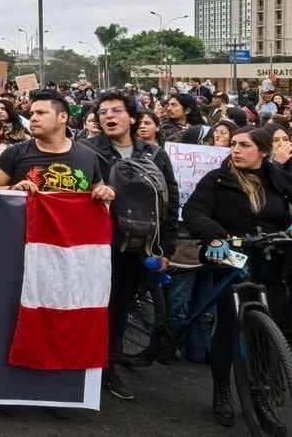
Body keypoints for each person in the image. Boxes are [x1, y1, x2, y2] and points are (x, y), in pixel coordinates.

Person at [182, 127, 292, 427]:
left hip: (272, 261)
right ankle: (222, 390)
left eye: (244, 145)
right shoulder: (218, 179)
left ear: (262, 151)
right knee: (228, 327)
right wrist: (214, 237)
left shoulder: (281, 178)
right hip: (232, 259)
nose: (235, 149)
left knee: (268, 328)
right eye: (233, 144)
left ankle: (262, 393)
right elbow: (195, 211)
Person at [83, 90, 179, 402]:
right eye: (103, 112)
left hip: (138, 245)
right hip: (97, 244)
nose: (108, 116)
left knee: (120, 308)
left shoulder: (155, 154)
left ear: (132, 117)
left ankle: (108, 363)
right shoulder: (87, 152)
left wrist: (164, 248)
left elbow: (170, 201)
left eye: (116, 111)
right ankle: (92, 366)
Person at [0, 90, 114, 200]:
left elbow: (98, 193)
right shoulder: (14, 153)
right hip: (27, 230)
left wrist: (106, 192)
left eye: (41, 113)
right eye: (31, 113)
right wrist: (13, 189)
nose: (33, 118)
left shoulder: (88, 155)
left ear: (62, 117)